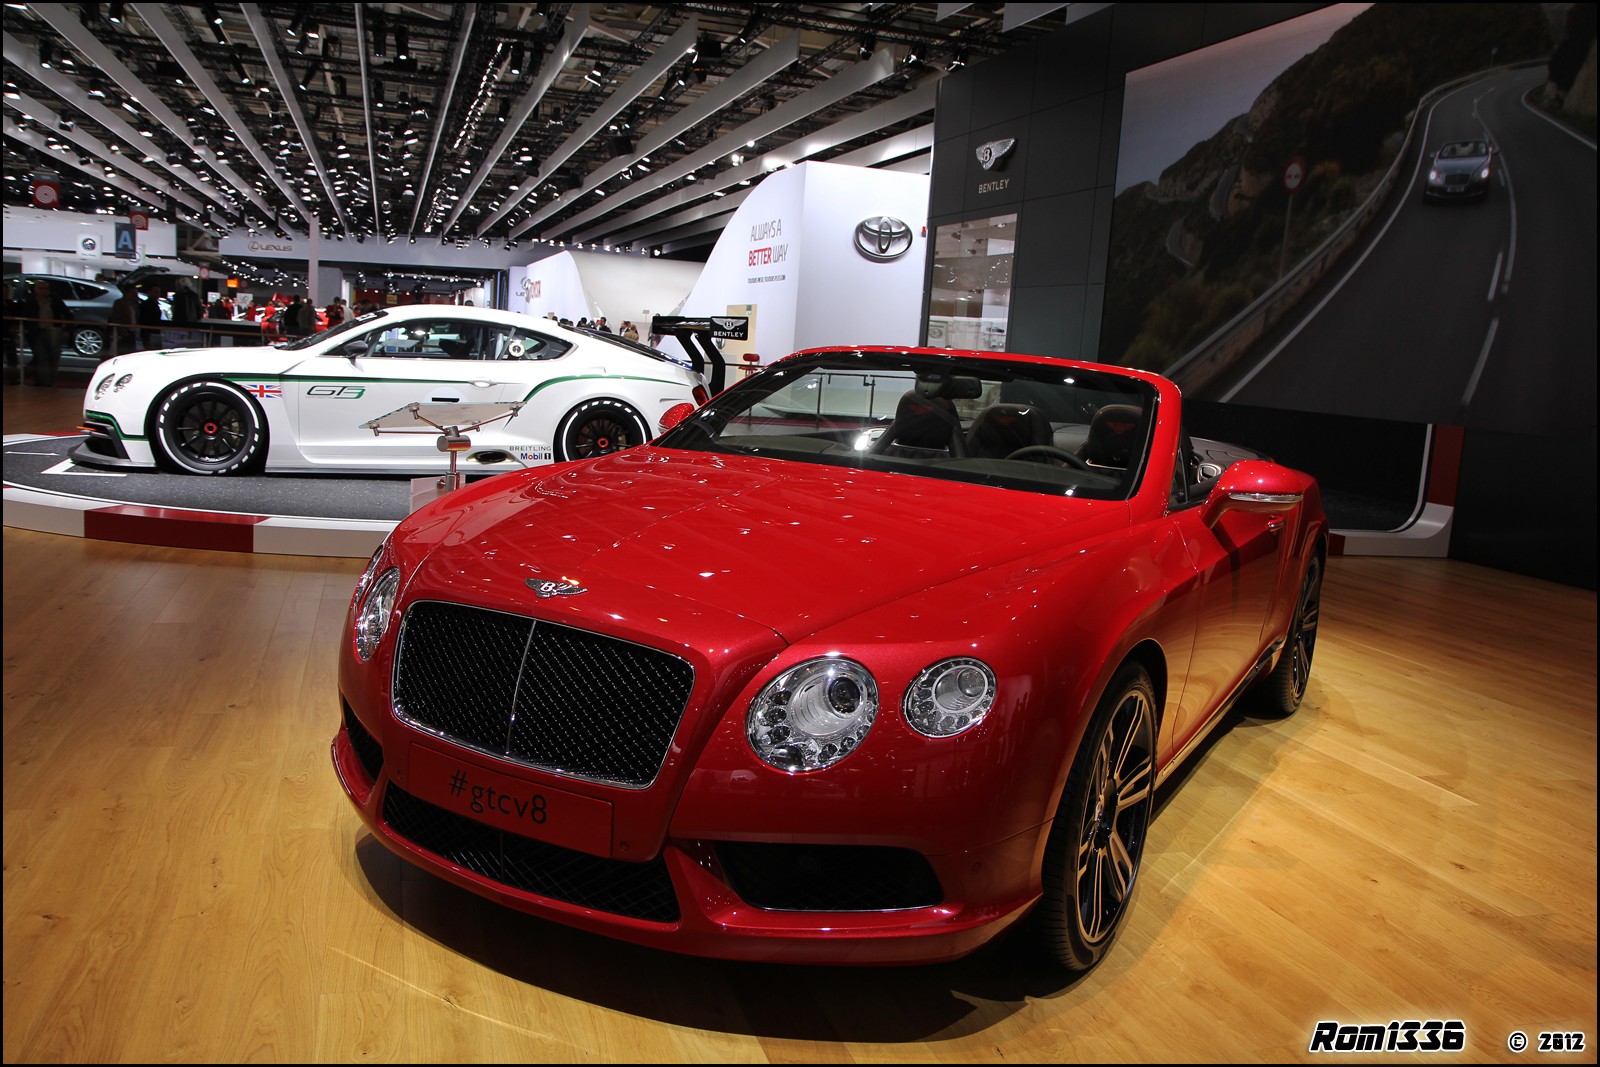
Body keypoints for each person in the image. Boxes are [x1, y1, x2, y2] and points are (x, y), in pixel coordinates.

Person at [20, 280, 73, 387]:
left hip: (54, 331)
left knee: (54, 358)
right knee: (42, 358)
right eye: (40, 288)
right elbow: (26, 317)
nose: (43, 291)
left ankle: (49, 381)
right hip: (38, 332)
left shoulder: (55, 300)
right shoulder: (30, 301)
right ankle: (46, 384)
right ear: (35, 290)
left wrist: (66, 330)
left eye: (45, 288)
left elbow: (68, 315)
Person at [109, 283, 140, 357]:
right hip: (124, 332)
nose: (135, 295)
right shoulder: (119, 303)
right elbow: (116, 318)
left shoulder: (135, 304)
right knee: (123, 353)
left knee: (132, 353)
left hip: (133, 332)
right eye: (132, 293)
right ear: (126, 293)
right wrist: (123, 331)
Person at [137, 283, 164, 349]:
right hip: (148, 332)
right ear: (149, 292)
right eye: (155, 292)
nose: (158, 294)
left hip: (155, 331)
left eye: (159, 292)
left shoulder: (155, 304)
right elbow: (144, 319)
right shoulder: (146, 305)